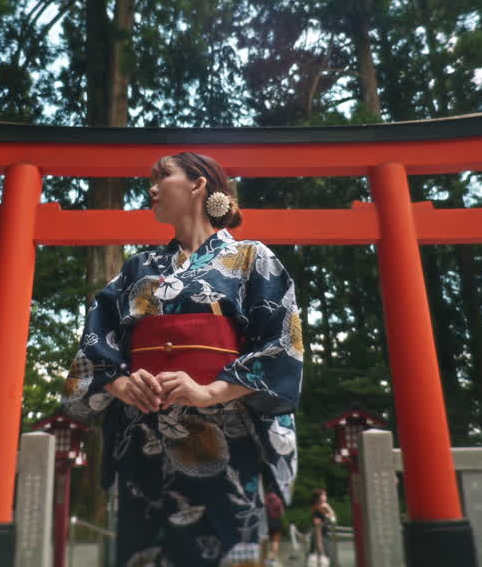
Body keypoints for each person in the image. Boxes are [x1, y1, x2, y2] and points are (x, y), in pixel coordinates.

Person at [63, 152, 303, 567]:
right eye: (149, 179)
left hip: (227, 438)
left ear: (199, 184)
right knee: (146, 552)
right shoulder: (138, 267)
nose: (151, 188)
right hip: (145, 438)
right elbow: (97, 342)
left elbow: (282, 344)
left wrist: (211, 390)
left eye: (163, 177)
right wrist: (121, 383)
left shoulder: (251, 258)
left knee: (228, 550)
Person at [307, 488, 336, 565]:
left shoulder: (320, 508)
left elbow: (332, 517)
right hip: (321, 539)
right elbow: (317, 530)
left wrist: (327, 507)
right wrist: (321, 550)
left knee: (328, 559)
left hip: (324, 537)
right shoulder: (317, 510)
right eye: (324, 495)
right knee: (325, 560)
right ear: (319, 497)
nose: (325, 496)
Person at [264, 490, 285, 566]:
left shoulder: (265, 499)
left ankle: (265, 558)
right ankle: (273, 559)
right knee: (275, 541)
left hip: (267, 521)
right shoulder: (278, 500)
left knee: (266, 540)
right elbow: (282, 513)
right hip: (277, 521)